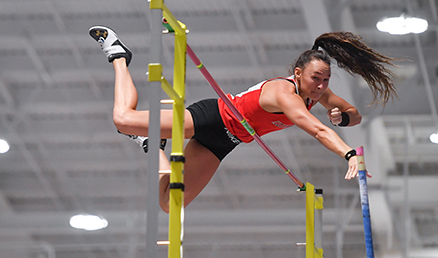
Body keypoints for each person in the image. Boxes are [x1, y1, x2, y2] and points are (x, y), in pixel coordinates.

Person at [89, 26, 397, 213]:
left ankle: (152, 146)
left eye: (326, 81)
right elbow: (315, 129)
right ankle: (118, 56)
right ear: (299, 73)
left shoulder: (316, 93)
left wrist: (342, 117)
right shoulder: (284, 94)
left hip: (226, 141)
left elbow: (355, 115)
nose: (321, 86)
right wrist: (348, 153)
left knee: (171, 205)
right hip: (210, 118)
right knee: (122, 119)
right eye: (317, 78)